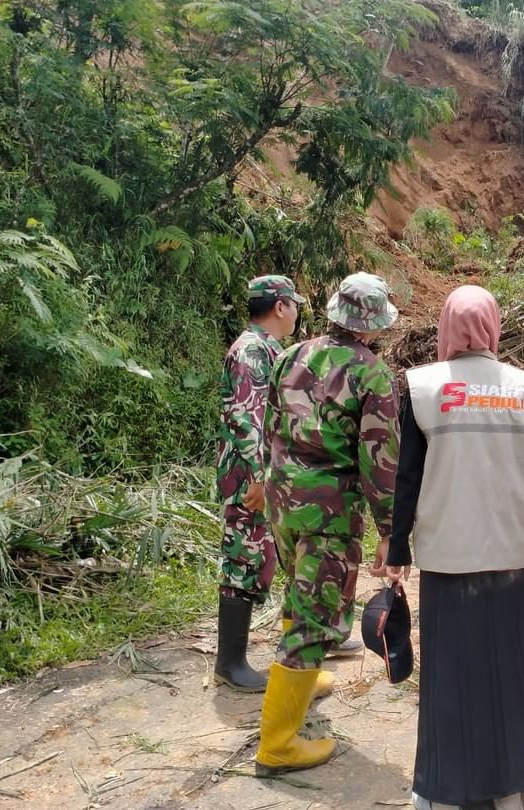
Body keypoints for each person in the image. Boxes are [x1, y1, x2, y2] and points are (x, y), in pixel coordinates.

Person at [385, 285, 524, 810]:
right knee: (509, 675)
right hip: (508, 554)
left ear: (447, 328)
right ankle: (509, 790)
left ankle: (441, 791)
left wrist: (397, 548)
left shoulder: (423, 387)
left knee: (448, 675)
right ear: (493, 327)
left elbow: (406, 478)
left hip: (446, 552)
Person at [254, 272, 400, 775]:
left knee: (299, 593)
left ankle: (304, 675)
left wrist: (267, 484)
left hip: (281, 498)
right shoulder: (373, 375)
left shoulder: (292, 356)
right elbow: (380, 463)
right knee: (316, 612)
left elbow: (270, 425)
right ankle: (277, 744)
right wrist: (391, 531)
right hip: (328, 510)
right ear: (374, 324)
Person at [214, 275, 301, 692]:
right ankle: (230, 663)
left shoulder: (267, 349)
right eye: (294, 303)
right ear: (280, 306)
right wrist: (259, 477)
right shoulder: (251, 350)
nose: (297, 312)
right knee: (242, 557)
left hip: (262, 474)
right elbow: (243, 416)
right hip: (249, 478)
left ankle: (254, 655)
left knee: (260, 556)